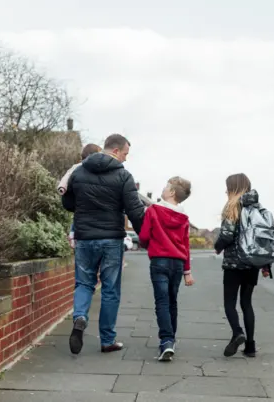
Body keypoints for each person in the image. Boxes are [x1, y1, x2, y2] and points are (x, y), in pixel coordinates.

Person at [62, 134, 145, 355]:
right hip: (111, 240)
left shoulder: (78, 172)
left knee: (84, 283)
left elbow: (68, 203)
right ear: (116, 151)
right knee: (110, 289)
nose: (126, 159)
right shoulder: (123, 176)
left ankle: (79, 317)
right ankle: (107, 340)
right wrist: (145, 237)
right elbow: (135, 210)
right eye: (125, 154)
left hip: (85, 238)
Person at [214, 173, 271, 358]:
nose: (225, 191)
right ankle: (251, 346)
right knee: (247, 303)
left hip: (233, 264)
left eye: (227, 187)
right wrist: (266, 264)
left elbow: (227, 235)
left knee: (229, 303)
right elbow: (264, 238)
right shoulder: (258, 208)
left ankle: (238, 333)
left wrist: (218, 246)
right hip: (252, 263)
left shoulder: (232, 206)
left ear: (234, 188)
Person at [139, 176, 194, 362]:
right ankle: (171, 339)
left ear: (171, 192)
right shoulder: (184, 217)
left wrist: (151, 246)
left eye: (166, 186)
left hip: (159, 261)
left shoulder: (153, 210)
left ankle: (166, 341)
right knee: (172, 301)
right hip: (177, 264)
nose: (163, 188)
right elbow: (186, 246)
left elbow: (144, 236)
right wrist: (188, 271)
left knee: (161, 302)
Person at [57, 143, 103, 249]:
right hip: (95, 222)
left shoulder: (78, 169)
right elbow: (66, 177)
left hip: (81, 212)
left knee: (78, 215)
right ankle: (72, 233)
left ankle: (73, 234)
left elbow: (66, 177)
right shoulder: (81, 168)